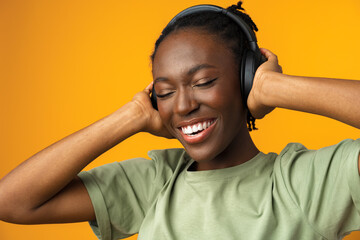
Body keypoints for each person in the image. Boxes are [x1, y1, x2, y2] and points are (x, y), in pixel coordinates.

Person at [0, 1, 360, 240]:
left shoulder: (303, 182)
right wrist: (132, 116)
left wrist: (273, 87)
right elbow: (12, 201)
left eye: (203, 83)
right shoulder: (156, 182)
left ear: (245, 78)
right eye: (165, 91)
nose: (183, 105)